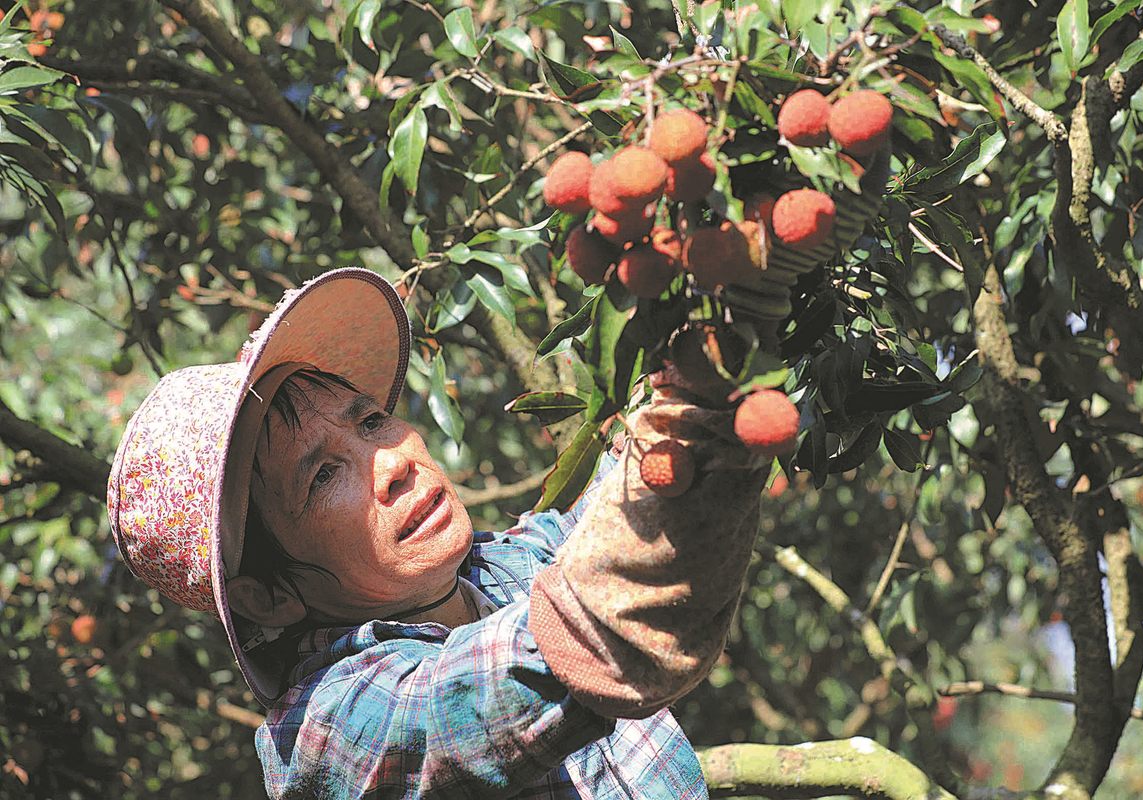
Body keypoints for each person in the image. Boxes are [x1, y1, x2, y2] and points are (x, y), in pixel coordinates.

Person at [107, 267, 772, 798]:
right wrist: (693, 412)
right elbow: (572, 645)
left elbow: (637, 487)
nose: (393, 463)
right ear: (267, 598)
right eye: (321, 476)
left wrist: (724, 315)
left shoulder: (513, 565)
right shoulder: (328, 730)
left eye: (370, 421)